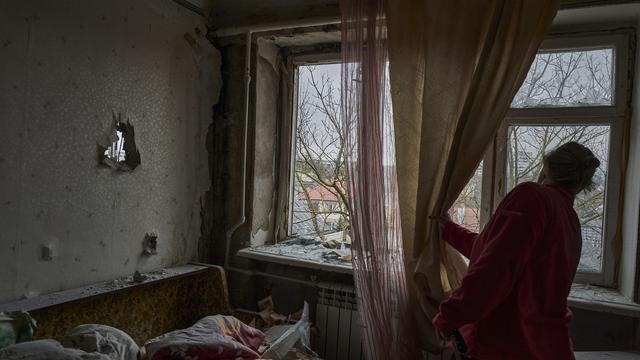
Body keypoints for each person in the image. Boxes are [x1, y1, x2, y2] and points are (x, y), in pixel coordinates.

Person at [432, 142, 601, 360]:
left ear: (546, 168)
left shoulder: (532, 197)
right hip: (545, 345)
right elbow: (493, 249)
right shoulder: (567, 217)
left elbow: (495, 268)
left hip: (508, 343)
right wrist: (449, 230)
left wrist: (450, 315)